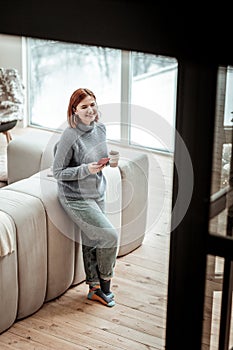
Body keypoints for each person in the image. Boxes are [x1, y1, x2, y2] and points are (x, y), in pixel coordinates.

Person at [53, 88, 118, 307]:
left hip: (97, 191)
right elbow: (58, 173)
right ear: (74, 110)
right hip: (75, 197)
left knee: (92, 239)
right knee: (110, 236)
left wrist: (105, 162)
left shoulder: (101, 129)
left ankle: (94, 288)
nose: (90, 110)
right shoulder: (69, 135)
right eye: (84, 107)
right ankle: (106, 287)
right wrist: (85, 170)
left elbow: (96, 157)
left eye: (92, 104)